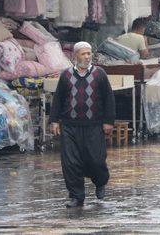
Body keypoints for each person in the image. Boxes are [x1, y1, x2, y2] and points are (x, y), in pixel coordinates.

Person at [50, 42, 116, 208]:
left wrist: (108, 122)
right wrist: (54, 120)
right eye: (83, 54)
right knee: (70, 162)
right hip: (70, 126)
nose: (87, 57)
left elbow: (109, 99)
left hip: (93, 126)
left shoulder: (99, 74)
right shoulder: (66, 76)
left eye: (89, 53)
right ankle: (76, 197)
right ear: (75, 56)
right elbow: (58, 99)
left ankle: (100, 182)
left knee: (96, 159)